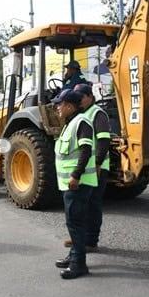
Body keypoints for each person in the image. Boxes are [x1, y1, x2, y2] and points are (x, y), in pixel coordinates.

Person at [52, 89, 97, 280]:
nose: (57, 108)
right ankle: (73, 257)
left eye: (59, 104)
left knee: (75, 223)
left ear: (69, 106)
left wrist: (76, 175)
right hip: (70, 184)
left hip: (78, 183)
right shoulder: (71, 123)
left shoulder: (81, 122)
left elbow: (86, 151)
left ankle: (79, 264)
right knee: (73, 222)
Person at [67, 83, 111, 252]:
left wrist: (98, 163)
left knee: (93, 204)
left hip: (97, 167)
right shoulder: (82, 114)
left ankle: (91, 241)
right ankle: (80, 238)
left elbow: (103, 140)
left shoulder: (97, 114)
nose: (78, 99)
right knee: (82, 204)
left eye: (81, 96)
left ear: (89, 97)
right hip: (88, 167)